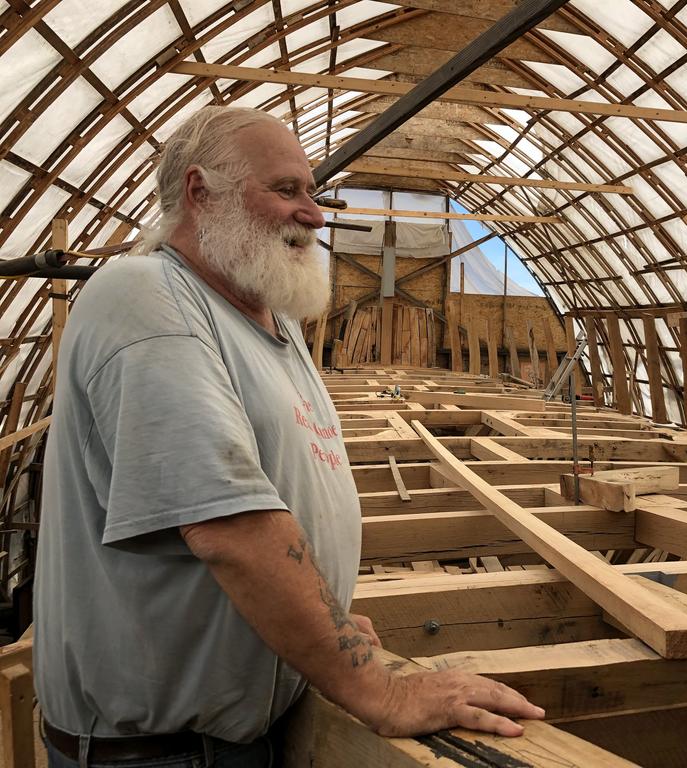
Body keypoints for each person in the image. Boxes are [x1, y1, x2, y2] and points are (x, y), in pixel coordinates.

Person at [33, 105, 544, 767]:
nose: (315, 214)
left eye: (313, 191)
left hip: (247, 732)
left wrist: (325, 632)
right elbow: (231, 527)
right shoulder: (146, 296)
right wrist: (378, 688)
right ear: (200, 192)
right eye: (286, 189)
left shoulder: (269, 319)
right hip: (164, 754)